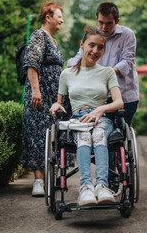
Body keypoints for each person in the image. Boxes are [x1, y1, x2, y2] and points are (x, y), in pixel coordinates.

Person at [50, 28, 124, 206]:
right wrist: (55, 105)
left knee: (98, 134)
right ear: (82, 45)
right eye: (91, 45)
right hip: (78, 119)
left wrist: (101, 109)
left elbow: (119, 102)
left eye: (100, 47)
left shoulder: (108, 72)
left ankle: (102, 186)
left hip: (101, 118)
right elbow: (59, 102)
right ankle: (86, 189)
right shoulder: (67, 74)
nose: (95, 51)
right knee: (84, 136)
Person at [67, 1, 139, 126]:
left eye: (109, 23)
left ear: (117, 21)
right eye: (101, 23)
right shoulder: (93, 36)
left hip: (124, 97)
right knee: (99, 131)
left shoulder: (127, 35)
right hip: (99, 98)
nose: (104, 27)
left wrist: (103, 74)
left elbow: (127, 62)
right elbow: (77, 59)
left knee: (118, 136)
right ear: (97, 20)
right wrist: (73, 69)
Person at [22, 1, 64, 197]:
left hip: (52, 97)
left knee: (51, 134)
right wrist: (36, 90)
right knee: (37, 135)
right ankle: (38, 181)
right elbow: (31, 64)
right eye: (59, 16)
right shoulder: (39, 35)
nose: (62, 20)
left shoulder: (53, 40)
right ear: (48, 17)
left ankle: (51, 178)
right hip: (39, 95)